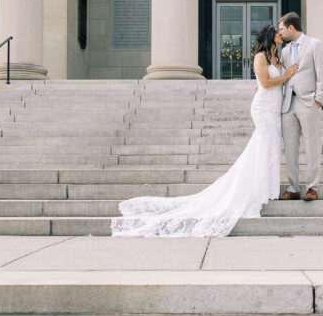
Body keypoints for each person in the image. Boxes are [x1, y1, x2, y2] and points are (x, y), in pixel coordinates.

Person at [110, 24, 298, 237]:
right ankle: (261, 190)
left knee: (271, 147)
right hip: (263, 108)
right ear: (270, 37)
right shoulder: (260, 57)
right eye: (277, 32)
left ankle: (268, 189)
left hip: (274, 107)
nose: (280, 35)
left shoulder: (278, 58)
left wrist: (283, 76)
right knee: (264, 145)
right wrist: (286, 76)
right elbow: (265, 82)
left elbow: (268, 83)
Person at [278, 11, 323, 202]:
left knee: (311, 145)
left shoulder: (315, 44)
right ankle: (293, 188)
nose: (280, 33)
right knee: (290, 148)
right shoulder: (284, 51)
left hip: (308, 102)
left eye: (282, 29)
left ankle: (312, 187)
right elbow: (284, 76)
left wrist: (319, 99)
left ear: (291, 28)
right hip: (288, 105)